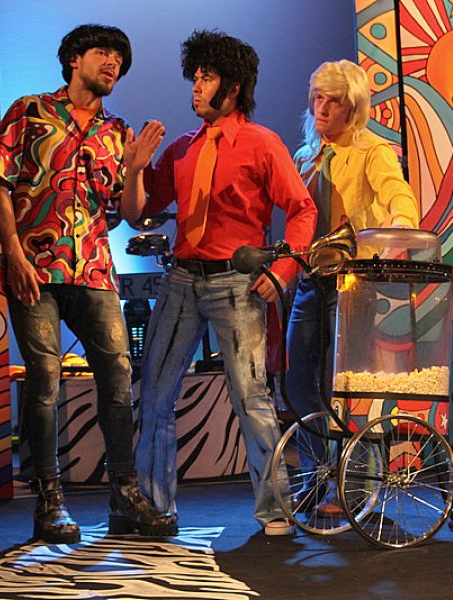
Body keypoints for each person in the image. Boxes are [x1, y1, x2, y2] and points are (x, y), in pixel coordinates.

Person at [0, 24, 176, 544]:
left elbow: (130, 213)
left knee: (117, 378)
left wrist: (136, 169)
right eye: (103, 53)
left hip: (93, 269)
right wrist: (13, 254)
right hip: (35, 268)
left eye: (119, 59)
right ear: (73, 59)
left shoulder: (118, 131)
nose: (113, 63)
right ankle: (49, 502)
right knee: (44, 379)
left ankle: (125, 496)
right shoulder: (30, 111)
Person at [127, 30, 317, 536]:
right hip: (181, 280)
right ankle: (155, 506)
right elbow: (141, 211)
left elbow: (302, 209)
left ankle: (275, 510)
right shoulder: (181, 149)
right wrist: (135, 170)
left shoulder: (262, 144)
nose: (195, 86)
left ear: (232, 88)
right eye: (193, 76)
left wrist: (282, 272)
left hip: (237, 283)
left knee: (252, 399)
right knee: (154, 396)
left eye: (206, 77)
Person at [286, 59, 420, 514]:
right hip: (311, 280)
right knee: (299, 384)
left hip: (352, 280)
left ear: (354, 107)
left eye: (334, 101)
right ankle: (316, 476)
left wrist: (400, 224)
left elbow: (397, 193)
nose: (322, 108)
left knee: (345, 387)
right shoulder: (305, 156)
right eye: (318, 98)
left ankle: (355, 488)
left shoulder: (371, 150)